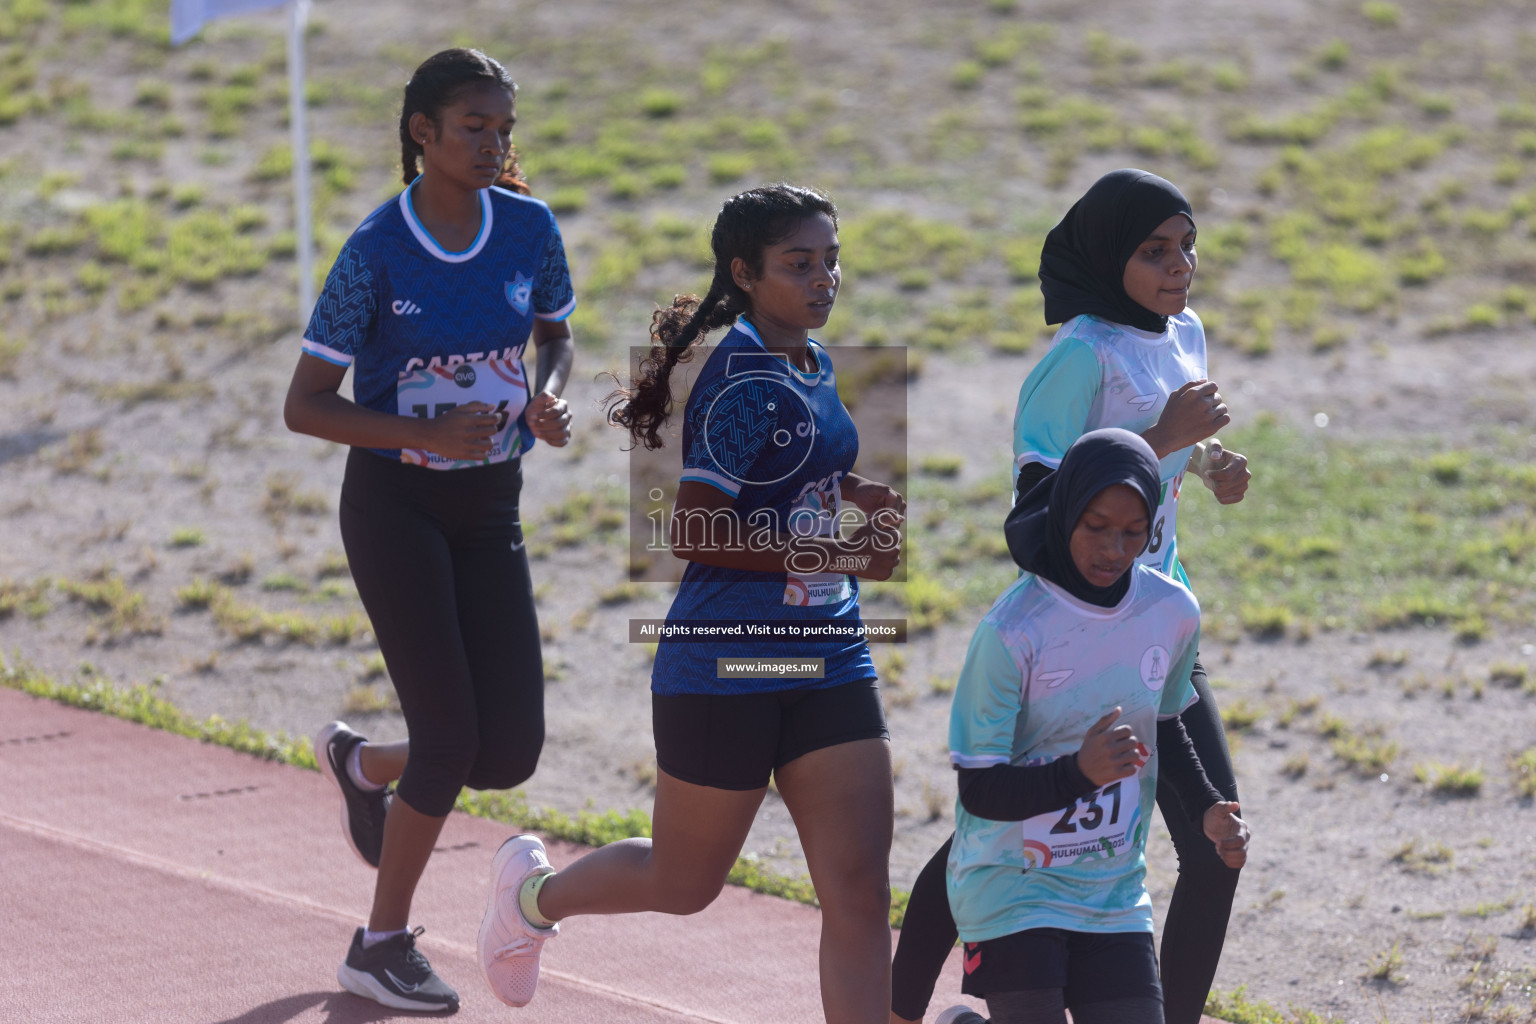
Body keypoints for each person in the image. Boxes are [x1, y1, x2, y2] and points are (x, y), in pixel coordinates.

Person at [474, 183, 904, 1023]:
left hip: (829, 652)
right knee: (684, 883)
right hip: (728, 660)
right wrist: (836, 548)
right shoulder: (740, 378)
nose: (825, 280)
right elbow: (700, 529)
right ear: (745, 273)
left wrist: (853, 490)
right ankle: (531, 900)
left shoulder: (806, 357)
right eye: (799, 264)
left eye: (831, 260)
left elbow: (787, 469)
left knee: (856, 888)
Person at [891, 168, 1251, 1024]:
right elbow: (1040, 504)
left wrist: (1205, 466)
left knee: (1215, 846)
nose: (1180, 267)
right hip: (1070, 634)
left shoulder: (1184, 331)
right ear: (1106, 256)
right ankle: (898, 1007)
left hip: (1161, 625)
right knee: (997, 832)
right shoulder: (1079, 356)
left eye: (1188, 247)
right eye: (1155, 251)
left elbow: (1159, 452)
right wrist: (1167, 434)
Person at [283, 48, 576, 1013]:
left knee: (509, 752)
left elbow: (556, 335)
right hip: (394, 506)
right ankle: (377, 944)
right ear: (423, 134)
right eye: (473, 128)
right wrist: (422, 432)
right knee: (451, 740)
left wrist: (550, 399)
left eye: (504, 128)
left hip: (490, 505)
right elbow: (307, 405)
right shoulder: (377, 250)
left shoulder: (528, 226)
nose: (494, 145)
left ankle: (362, 767)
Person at [938, 428, 1249, 1024]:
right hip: (1011, 886)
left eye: (1134, 532)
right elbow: (978, 790)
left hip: (1110, 886)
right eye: (1097, 527)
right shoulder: (1011, 632)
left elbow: (1163, 723)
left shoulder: (1171, 612)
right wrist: (1079, 773)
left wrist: (1207, 808)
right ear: (1065, 512)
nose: (1114, 548)